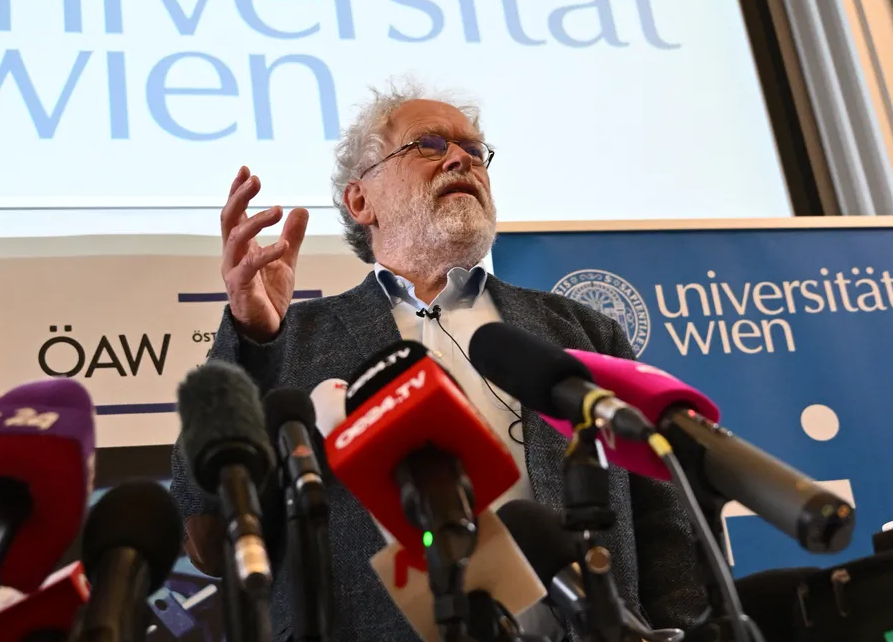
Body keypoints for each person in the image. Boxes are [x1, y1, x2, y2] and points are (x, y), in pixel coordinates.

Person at [170, 80, 709, 641]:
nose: (461, 159)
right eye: (428, 144)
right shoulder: (294, 340)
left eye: (474, 151)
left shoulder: (580, 332)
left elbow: (664, 521)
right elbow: (206, 536)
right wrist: (255, 342)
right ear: (361, 202)